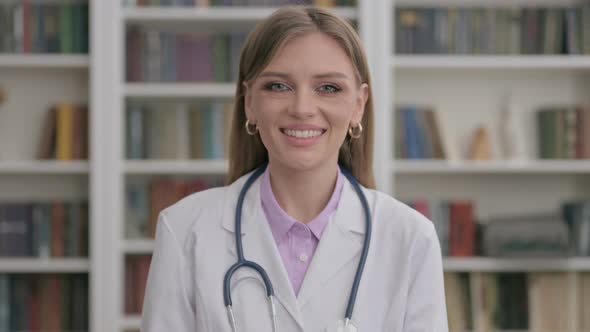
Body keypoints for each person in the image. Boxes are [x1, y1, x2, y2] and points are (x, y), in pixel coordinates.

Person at [141, 6, 448, 332]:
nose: (302, 109)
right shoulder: (185, 230)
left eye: (328, 88)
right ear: (249, 103)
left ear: (359, 105)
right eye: (278, 86)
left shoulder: (411, 238)